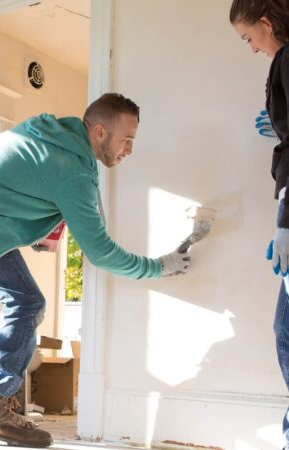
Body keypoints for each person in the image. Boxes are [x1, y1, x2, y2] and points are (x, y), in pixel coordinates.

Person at [0, 93, 190, 448]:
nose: (130, 150)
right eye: (128, 140)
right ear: (100, 132)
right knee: (26, 302)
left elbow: (19, 184)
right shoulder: (73, 170)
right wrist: (160, 267)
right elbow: (101, 253)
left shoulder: (51, 135)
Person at [230, 1, 289, 448]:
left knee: (287, 334)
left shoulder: (287, 58)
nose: (252, 48)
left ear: (267, 23)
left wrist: (286, 221)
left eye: (249, 37)